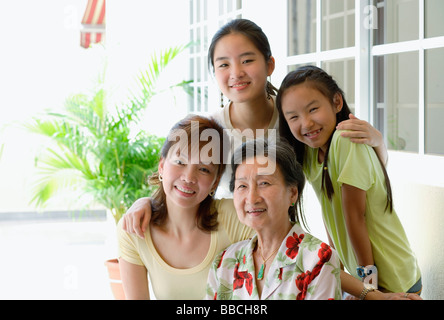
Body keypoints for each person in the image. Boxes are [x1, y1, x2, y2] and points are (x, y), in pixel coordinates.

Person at [276, 65, 422, 294]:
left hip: (391, 277)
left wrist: (368, 288)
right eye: (293, 117)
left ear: (336, 102)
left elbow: (355, 217)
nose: (306, 124)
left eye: (313, 109)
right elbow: (331, 214)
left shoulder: (345, 140)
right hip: (365, 274)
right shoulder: (311, 154)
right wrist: (339, 269)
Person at [117, 114, 255, 300]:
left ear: (215, 182)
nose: (189, 177)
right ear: (161, 166)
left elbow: (287, 246)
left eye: (204, 169)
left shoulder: (233, 216)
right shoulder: (135, 228)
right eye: (180, 162)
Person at [205, 139, 342, 300]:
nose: (251, 198)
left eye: (264, 183)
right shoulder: (224, 262)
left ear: (292, 193)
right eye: (242, 186)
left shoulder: (319, 258)